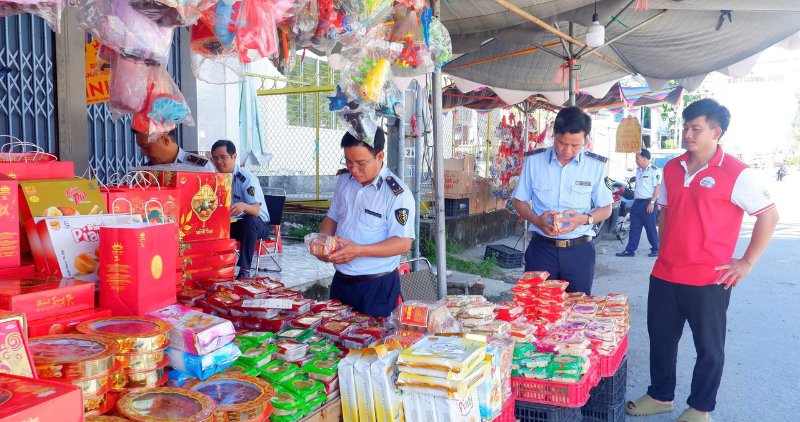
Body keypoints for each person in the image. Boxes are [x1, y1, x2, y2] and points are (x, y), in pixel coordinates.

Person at [626, 99, 778, 422]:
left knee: (709, 348)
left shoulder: (738, 173)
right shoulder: (672, 167)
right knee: (661, 338)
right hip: (666, 273)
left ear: (716, 132)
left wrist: (746, 263)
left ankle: (700, 408)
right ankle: (660, 394)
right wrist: (667, 248)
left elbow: (769, 215)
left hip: (710, 279)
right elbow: (665, 212)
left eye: (696, 128)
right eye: (685, 127)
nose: (687, 134)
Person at [511, 106, 613, 294]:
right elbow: (519, 201)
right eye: (562, 143)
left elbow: (606, 208)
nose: (567, 150)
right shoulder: (534, 162)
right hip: (542, 250)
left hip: (579, 251)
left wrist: (583, 219)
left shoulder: (595, 166)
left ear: (586, 140)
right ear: (554, 134)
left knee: (578, 313)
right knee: (537, 311)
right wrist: (536, 220)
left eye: (575, 145)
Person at [316, 128, 415, 318]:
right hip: (341, 282)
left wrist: (358, 250)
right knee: (335, 338)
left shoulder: (396, 194)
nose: (353, 169)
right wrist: (323, 242)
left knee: (372, 343)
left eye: (361, 163)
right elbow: (332, 218)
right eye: (348, 161)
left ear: (379, 156)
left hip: (376, 287)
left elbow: (403, 243)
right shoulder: (345, 181)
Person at [210, 139, 270, 279]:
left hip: (258, 224)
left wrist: (243, 206)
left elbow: (255, 211)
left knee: (250, 220)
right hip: (233, 223)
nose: (219, 162)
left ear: (234, 157)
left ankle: (245, 271)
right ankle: (213, 267)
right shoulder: (214, 179)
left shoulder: (246, 179)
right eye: (215, 158)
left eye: (223, 157)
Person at [616, 149, 661, 258]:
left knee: (650, 228)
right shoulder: (639, 170)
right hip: (637, 203)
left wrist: (652, 202)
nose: (636, 160)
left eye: (637, 158)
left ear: (645, 158)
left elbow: (658, 188)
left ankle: (656, 249)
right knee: (634, 227)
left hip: (648, 203)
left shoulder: (654, 171)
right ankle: (630, 250)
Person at [134, 129, 215, 170]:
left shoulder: (200, 167)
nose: (144, 154)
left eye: (146, 147)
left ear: (165, 140)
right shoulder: (146, 171)